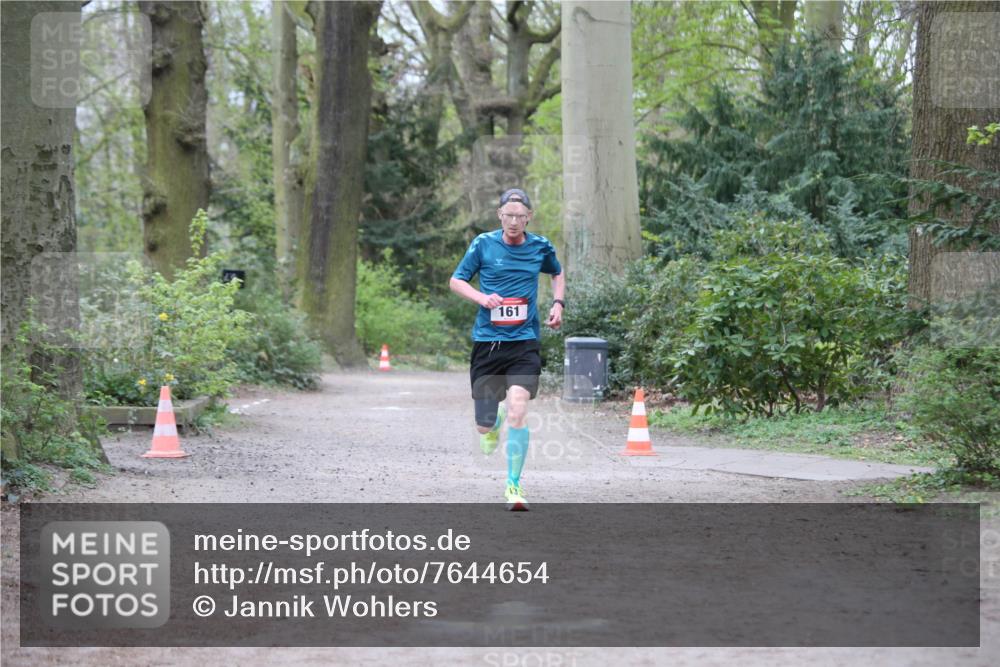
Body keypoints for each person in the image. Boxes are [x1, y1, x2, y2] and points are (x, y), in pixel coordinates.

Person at [449, 188, 565, 510]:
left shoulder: (540, 246)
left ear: (529, 217)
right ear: (499, 215)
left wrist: (558, 303)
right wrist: (482, 298)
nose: (514, 221)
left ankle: (513, 486)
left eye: (520, 216)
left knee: (518, 408)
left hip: (524, 343)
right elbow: (456, 280)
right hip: (488, 343)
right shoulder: (483, 245)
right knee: (483, 425)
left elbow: (557, 272)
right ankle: (493, 421)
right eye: (508, 215)